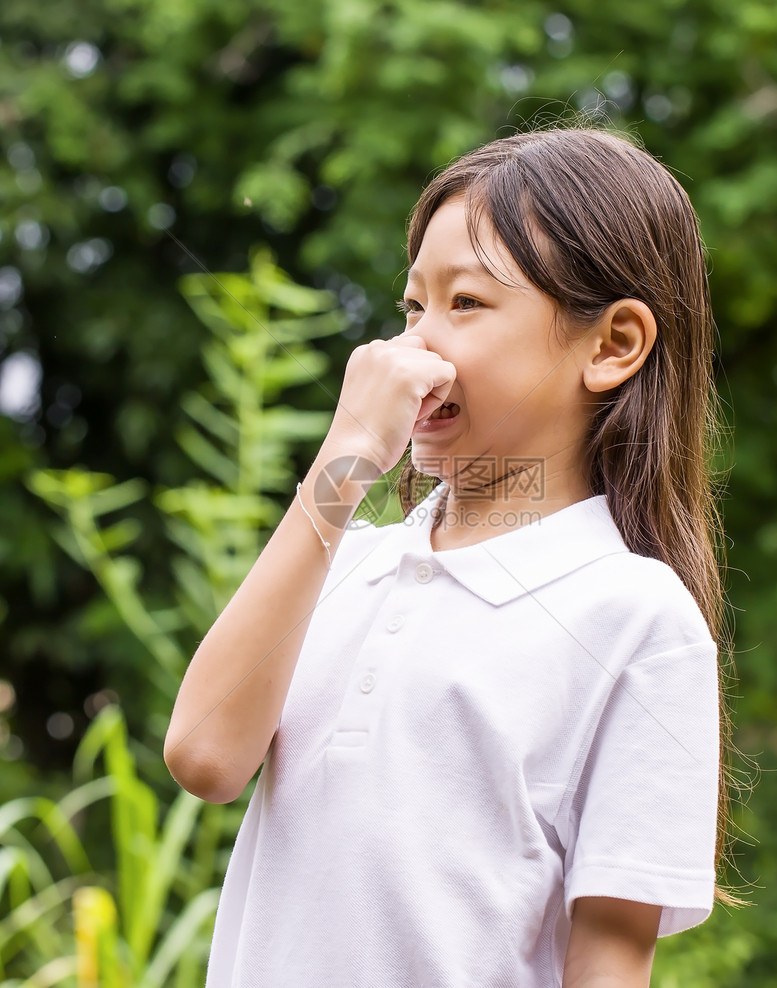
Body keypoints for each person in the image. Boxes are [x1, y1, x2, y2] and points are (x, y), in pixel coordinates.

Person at [164, 126, 732, 987]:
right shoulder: (341, 563)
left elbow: (611, 958)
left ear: (612, 345)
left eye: (465, 304)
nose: (416, 348)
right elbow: (205, 755)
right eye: (411, 308)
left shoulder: (636, 618)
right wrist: (341, 463)